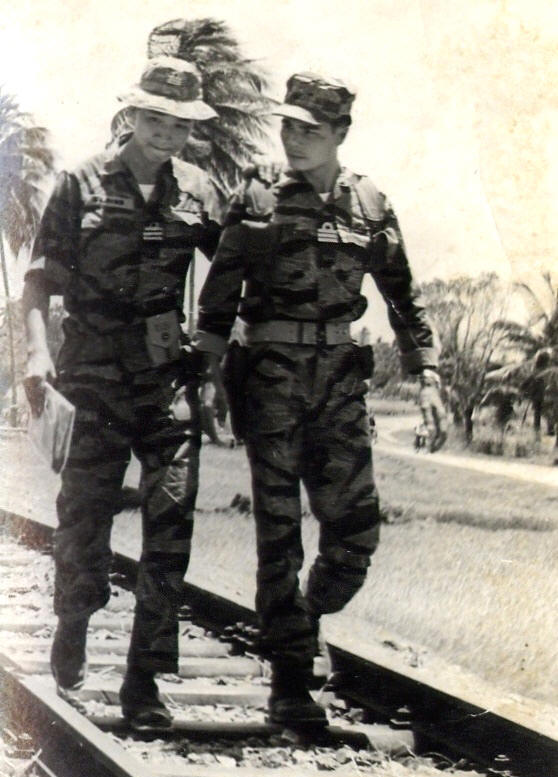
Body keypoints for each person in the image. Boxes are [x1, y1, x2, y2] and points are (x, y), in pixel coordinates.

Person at [194, 72, 447, 727]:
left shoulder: (370, 204)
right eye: (288, 126)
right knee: (279, 537)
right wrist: (208, 373)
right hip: (270, 381)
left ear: (340, 133)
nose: (294, 138)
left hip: (339, 382)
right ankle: (289, 683)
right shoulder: (257, 196)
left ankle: (304, 620)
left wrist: (428, 375)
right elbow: (219, 295)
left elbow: (403, 296)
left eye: (309, 129)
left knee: (356, 536)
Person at [22, 55, 222, 730]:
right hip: (94, 377)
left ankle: (145, 680)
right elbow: (38, 281)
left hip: (167, 380)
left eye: (182, 124)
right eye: (156, 118)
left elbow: (233, 272)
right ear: (132, 114)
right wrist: (39, 352)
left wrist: (215, 345)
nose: (167, 133)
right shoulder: (81, 183)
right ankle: (74, 621)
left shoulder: (199, 190)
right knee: (85, 518)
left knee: (172, 521)